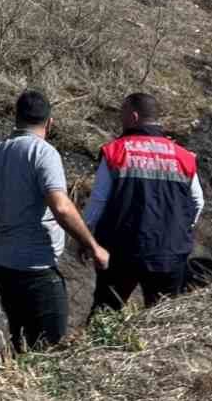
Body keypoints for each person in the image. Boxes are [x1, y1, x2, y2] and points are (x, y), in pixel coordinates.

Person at [0, 89, 109, 351]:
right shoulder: (44, 153)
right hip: (36, 267)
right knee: (50, 348)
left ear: (15, 118)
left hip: (2, 265)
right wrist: (93, 245)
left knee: (21, 338)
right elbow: (62, 208)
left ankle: (18, 380)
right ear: (49, 123)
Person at [83, 92, 203, 315]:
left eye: (122, 113)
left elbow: (98, 201)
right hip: (169, 253)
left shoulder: (115, 151)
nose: (120, 119)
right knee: (163, 322)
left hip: (121, 252)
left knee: (105, 315)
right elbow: (197, 201)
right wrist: (181, 230)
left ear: (134, 116)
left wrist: (84, 237)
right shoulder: (184, 156)